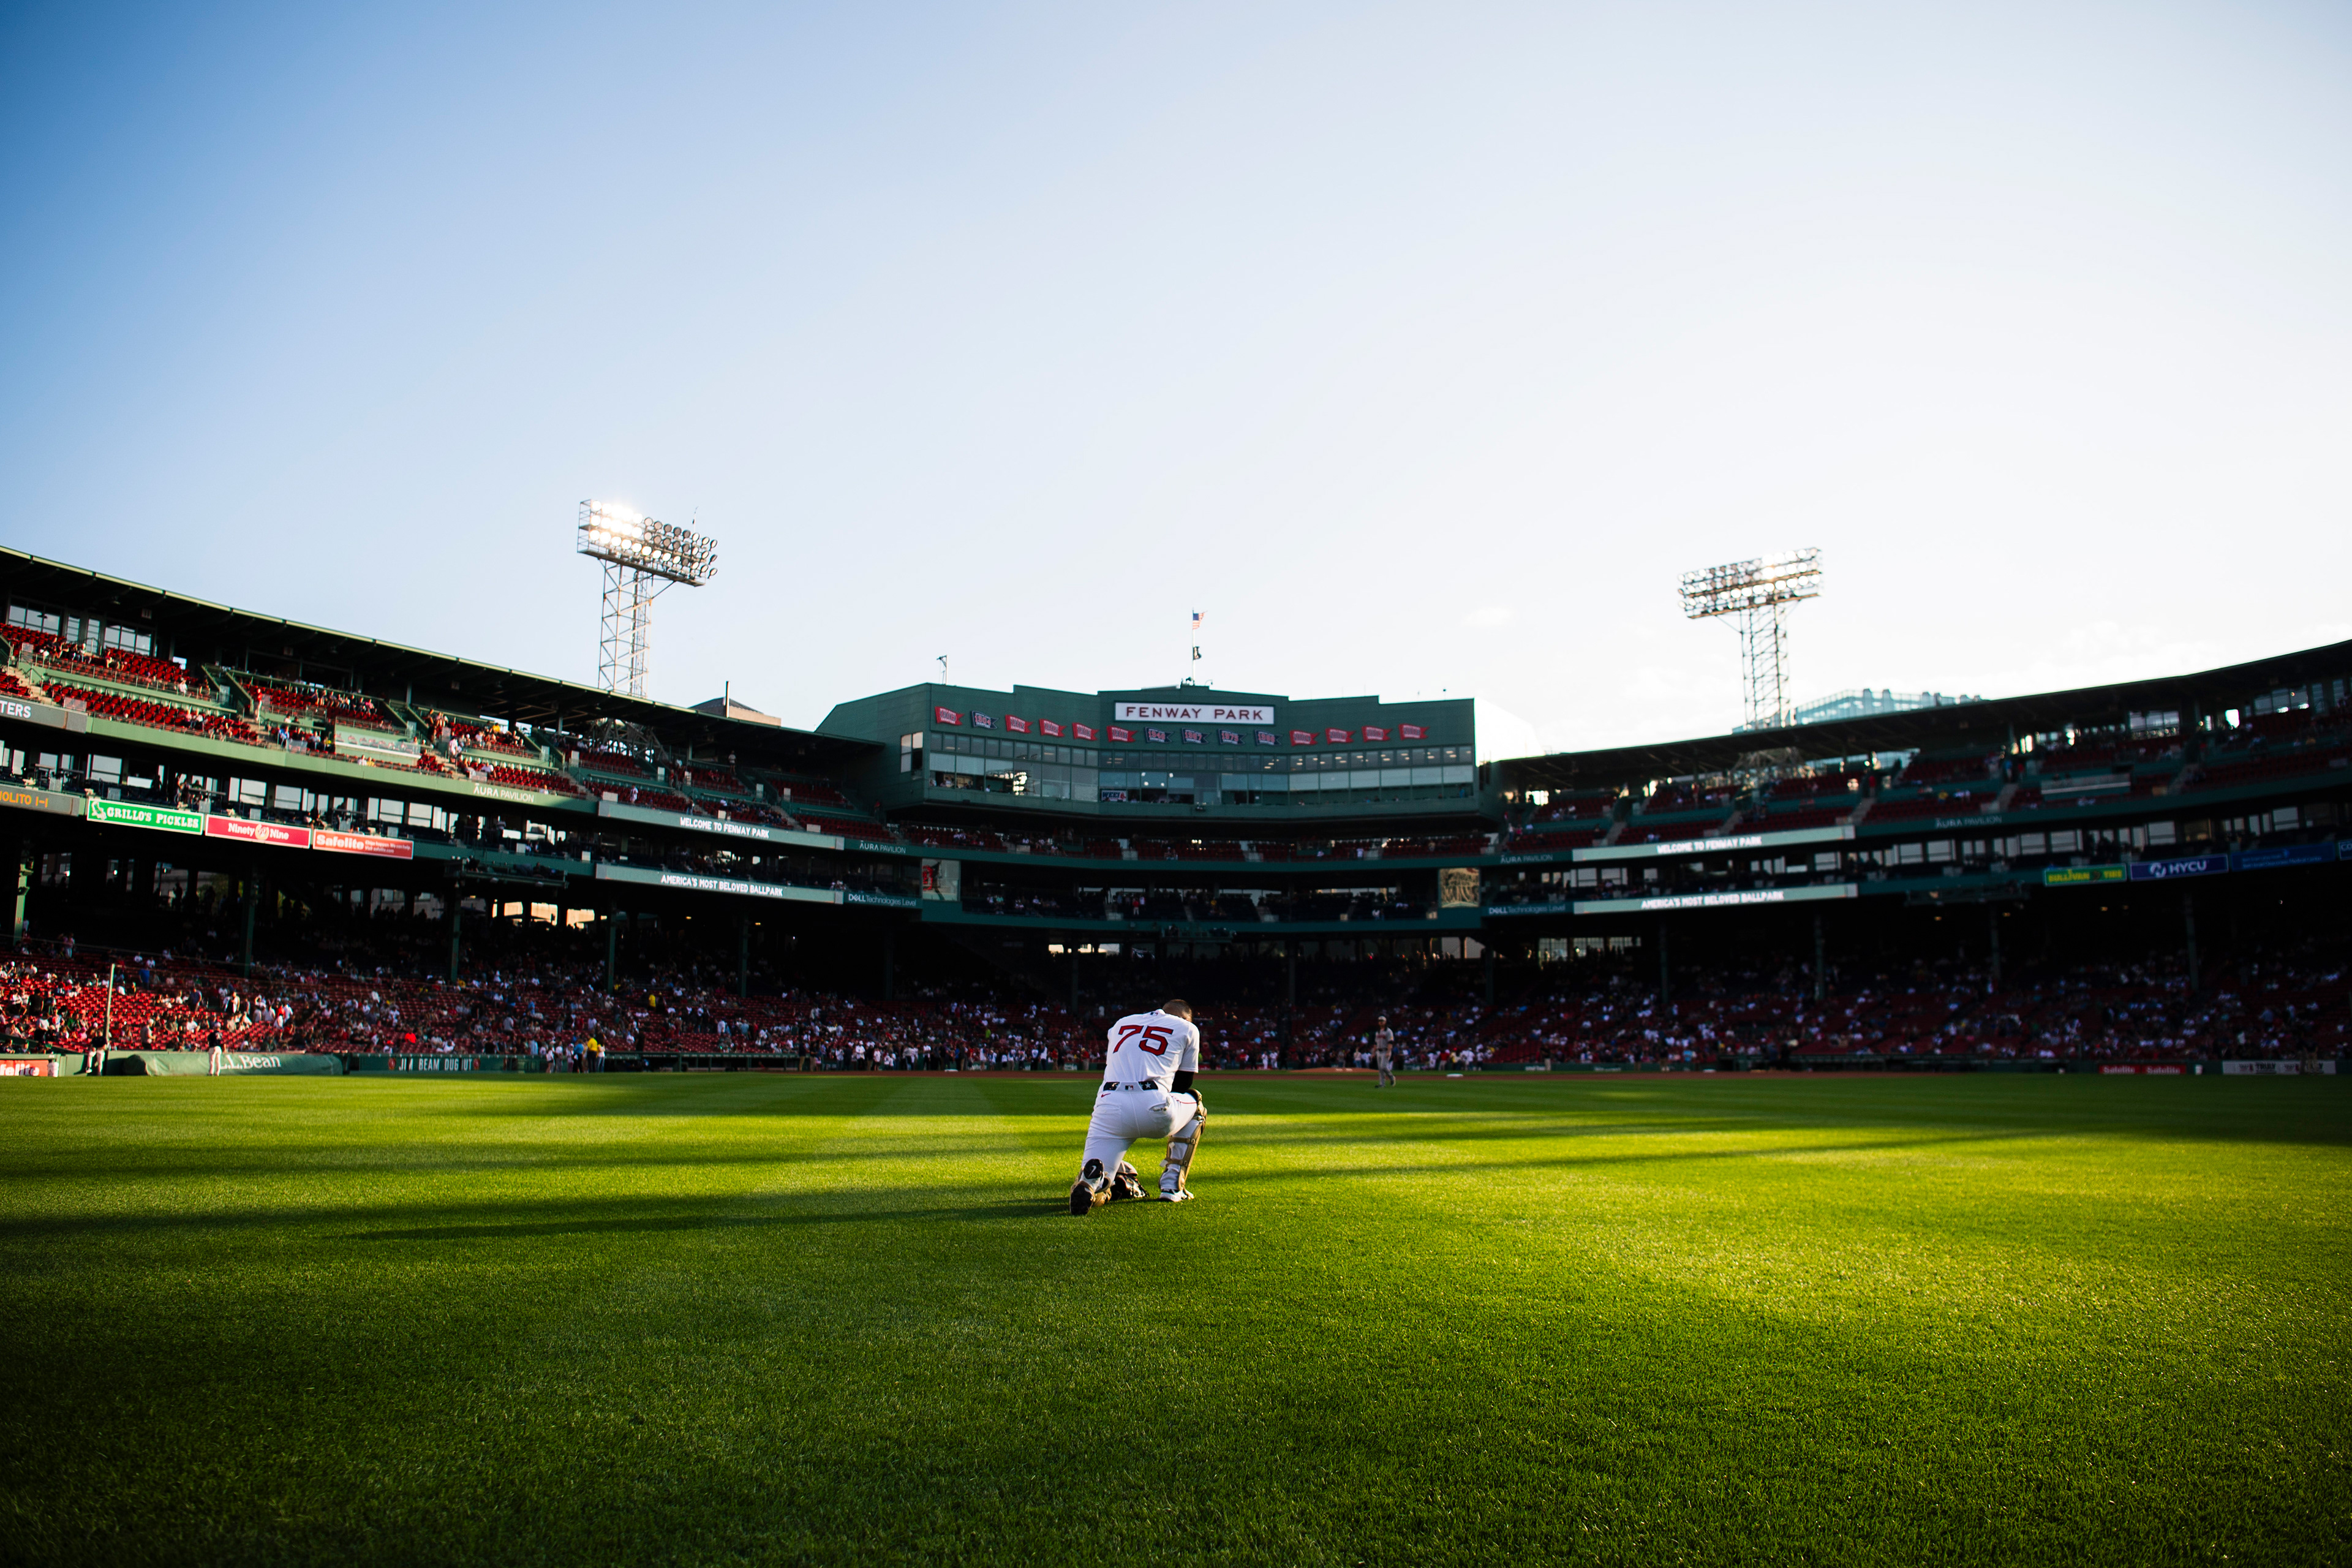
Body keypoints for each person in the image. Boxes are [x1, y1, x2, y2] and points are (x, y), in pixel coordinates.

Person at [1069, 998, 1207, 1215]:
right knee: (1195, 1102)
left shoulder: (1122, 1024)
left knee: (1097, 1172)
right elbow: (1183, 1085)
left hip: (1109, 1106)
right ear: (1184, 1018)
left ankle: (1092, 1184)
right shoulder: (1187, 1027)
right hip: (1153, 1104)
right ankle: (1172, 1186)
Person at [1374, 1015, 1395, 1088]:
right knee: (1380, 1069)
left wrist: (1389, 1052)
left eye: (1382, 1021)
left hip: (1385, 1050)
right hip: (1379, 1051)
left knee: (1383, 1067)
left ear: (1385, 1022)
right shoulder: (1378, 1032)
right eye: (1379, 1021)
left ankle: (1391, 1077)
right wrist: (1374, 1053)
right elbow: (1376, 1043)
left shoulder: (1389, 1031)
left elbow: (1390, 1042)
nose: (1381, 1022)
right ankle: (1382, 1084)